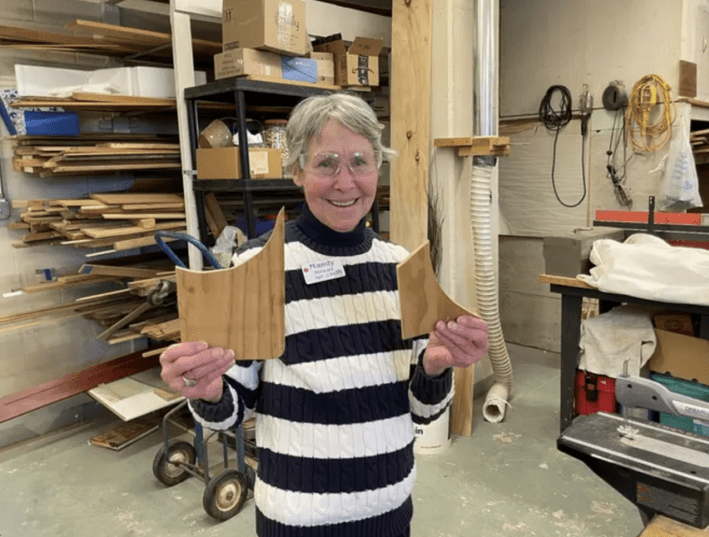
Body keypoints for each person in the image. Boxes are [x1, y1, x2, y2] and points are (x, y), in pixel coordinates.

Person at [160, 92, 489, 537]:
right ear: (297, 170)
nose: (345, 181)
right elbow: (229, 412)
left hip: (388, 512)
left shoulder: (402, 269)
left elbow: (422, 411)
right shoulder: (260, 267)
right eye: (326, 163)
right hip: (297, 520)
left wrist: (434, 369)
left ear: (378, 167)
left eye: (360, 161)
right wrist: (209, 390)